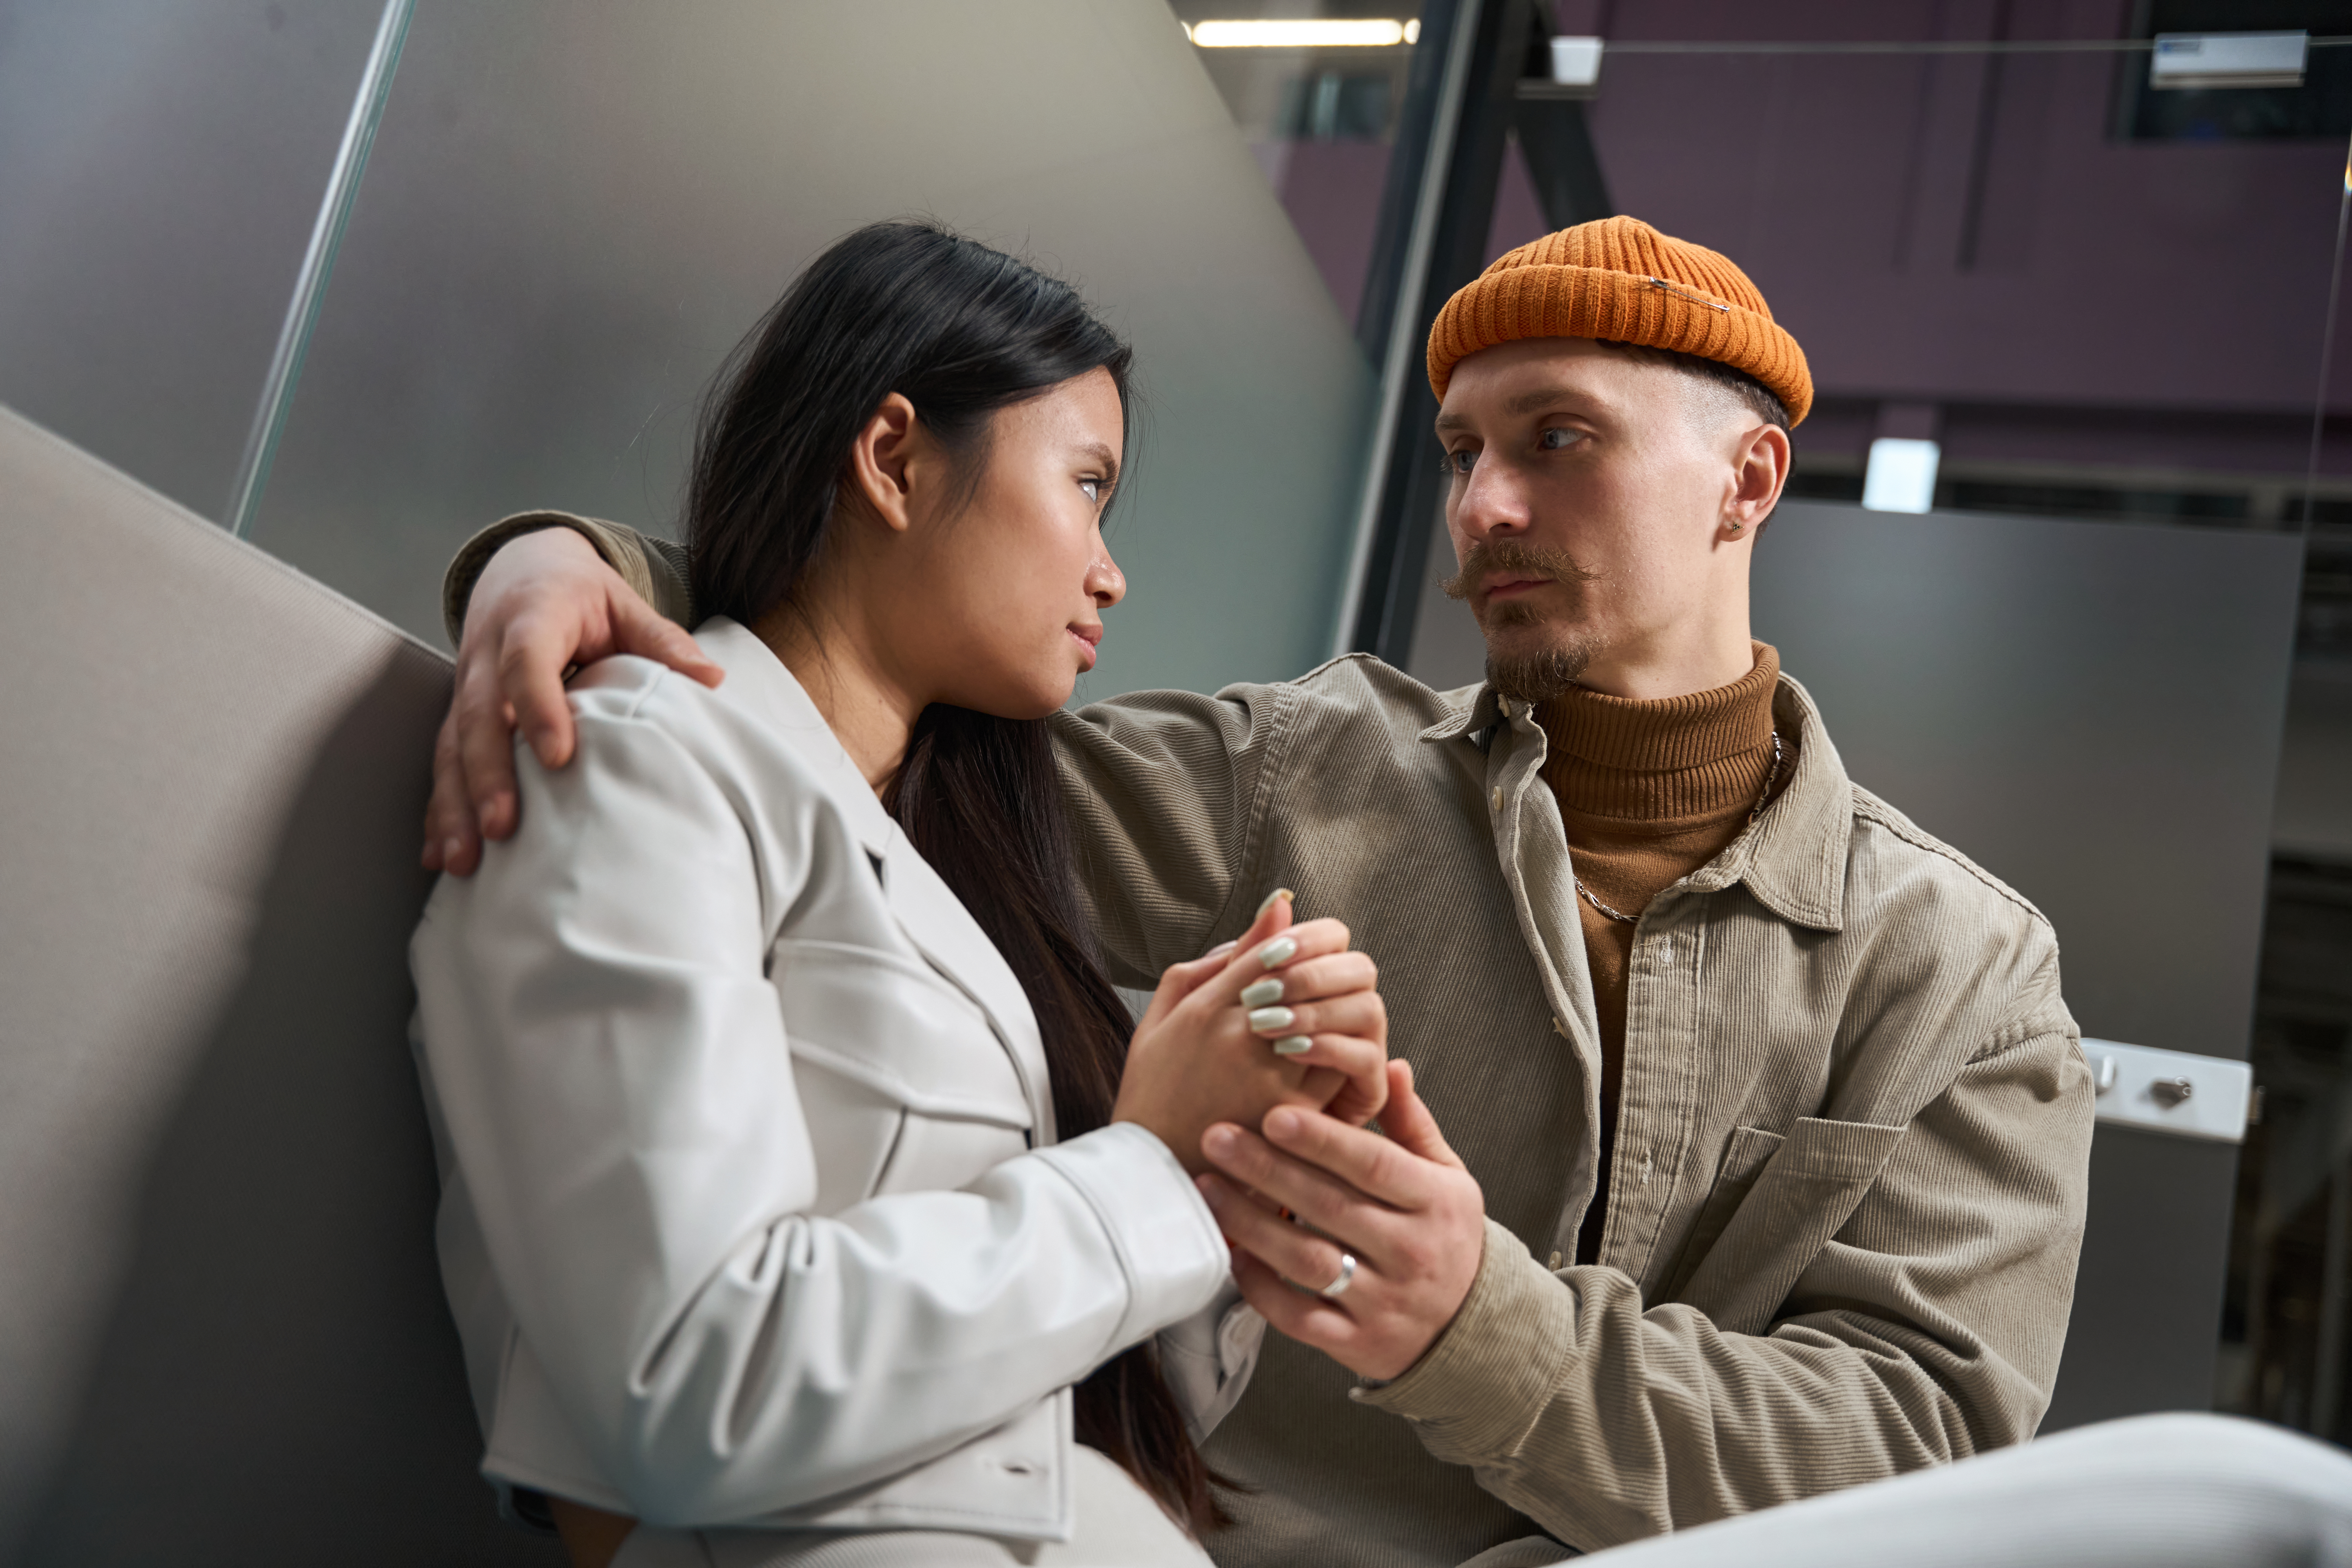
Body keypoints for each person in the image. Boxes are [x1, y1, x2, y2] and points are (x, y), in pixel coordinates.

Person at [425, 217, 2099, 1566]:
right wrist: (565, 564)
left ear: (1747, 483)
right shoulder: (1304, 769)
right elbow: (870, 672)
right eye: (1461, 451)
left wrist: (1476, 1323)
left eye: (1558, 439)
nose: (1483, 510)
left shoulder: (1966, 978)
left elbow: (1916, 1468)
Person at [408, 220, 1398, 1568]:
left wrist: (1232, 1163)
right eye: (1086, 486)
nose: (1112, 572)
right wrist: (1147, 1164)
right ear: (891, 457)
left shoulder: (943, 854)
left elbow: (1046, 1420)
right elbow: (701, 1383)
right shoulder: (641, 759)